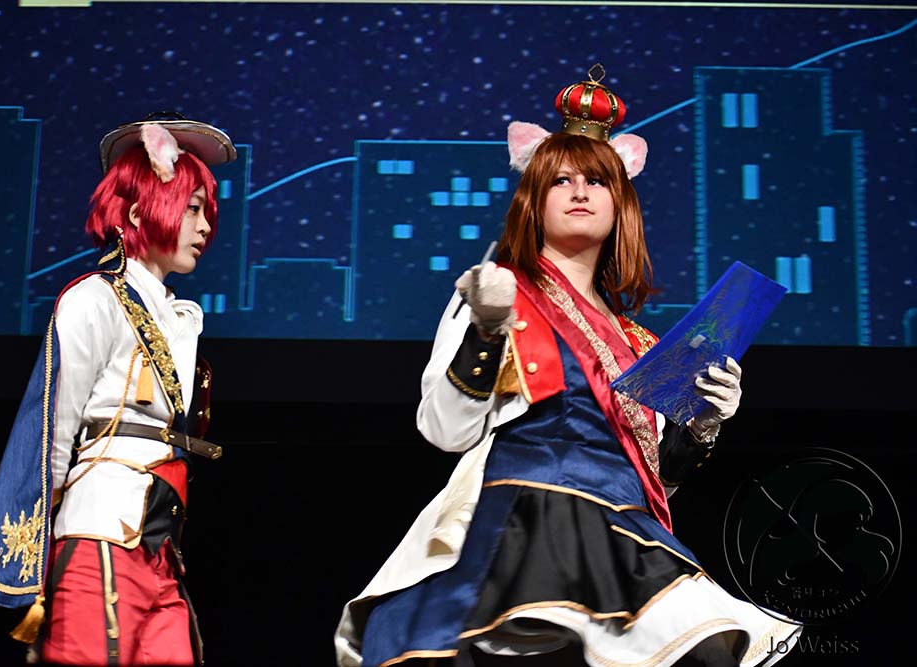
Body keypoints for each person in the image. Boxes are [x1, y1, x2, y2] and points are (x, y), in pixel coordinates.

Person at [335, 69, 802, 667]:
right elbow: (445, 431)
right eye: (561, 179)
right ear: (535, 198)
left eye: (597, 180)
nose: (580, 191)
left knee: (707, 648)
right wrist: (485, 331)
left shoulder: (637, 340)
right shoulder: (501, 293)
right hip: (528, 522)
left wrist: (703, 421)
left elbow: (656, 479)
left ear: (619, 202)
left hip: (627, 536)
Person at [0, 112, 237, 665]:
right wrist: (34, 565)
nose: (206, 225)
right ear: (138, 211)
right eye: (191, 208)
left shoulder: (178, 317)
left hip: (160, 550)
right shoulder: (94, 299)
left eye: (207, 211)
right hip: (99, 537)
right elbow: (53, 433)